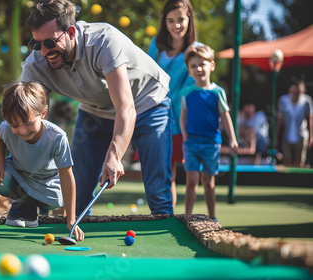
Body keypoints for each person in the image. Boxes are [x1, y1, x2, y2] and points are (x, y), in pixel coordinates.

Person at [22, 0, 173, 216]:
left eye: (50, 42)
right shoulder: (35, 65)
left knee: (158, 192)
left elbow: (126, 107)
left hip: (148, 102)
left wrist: (115, 154)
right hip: (96, 110)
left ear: (71, 32)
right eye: (36, 44)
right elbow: (30, 118)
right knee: (78, 195)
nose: (44, 51)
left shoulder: (104, 41)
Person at [0, 81, 84, 241]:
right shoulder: (7, 128)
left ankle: (33, 206)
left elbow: (67, 176)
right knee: (1, 181)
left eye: (28, 123)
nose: (23, 131)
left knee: (56, 201)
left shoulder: (57, 137)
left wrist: (71, 220)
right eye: (15, 125)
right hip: (19, 174)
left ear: (43, 113)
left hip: (46, 181)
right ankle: (23, 204)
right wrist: (0, 162)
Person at [147, 0, 200, 208]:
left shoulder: (197, 50)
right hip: (157, 118)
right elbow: (147, 77)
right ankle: (164, 217)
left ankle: (181, 218)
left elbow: (196, 88)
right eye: (170, 20)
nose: (176, 25)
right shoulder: (155, 46)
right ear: (164, 22)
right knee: (161, 173)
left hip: (182, 120)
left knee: (185, 175)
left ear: (190, 20)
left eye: (181, 19)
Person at [179, 44, 238, 222]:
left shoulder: (218, 92)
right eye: (193, 66)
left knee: (208, 181)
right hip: (191, 143)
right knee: (191, 180)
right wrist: (185, 136)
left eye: (202, 64)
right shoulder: (187, 92)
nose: (198, 69)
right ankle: (187, 217)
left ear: (211, 65)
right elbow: (183, 116)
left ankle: (212, 217)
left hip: (211, 143)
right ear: (189, 71)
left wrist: (233, 140)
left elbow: (225, 117)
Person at [276, 80, 313, 167]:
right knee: (286, 160)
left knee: (300, 161)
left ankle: (298, 180)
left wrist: (311, 136)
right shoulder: (283, 100)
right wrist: (277, 137)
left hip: (302, 136)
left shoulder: (307, 101)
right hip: (286, 136)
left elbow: (309, 119)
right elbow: (279, 120)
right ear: (290, 89)